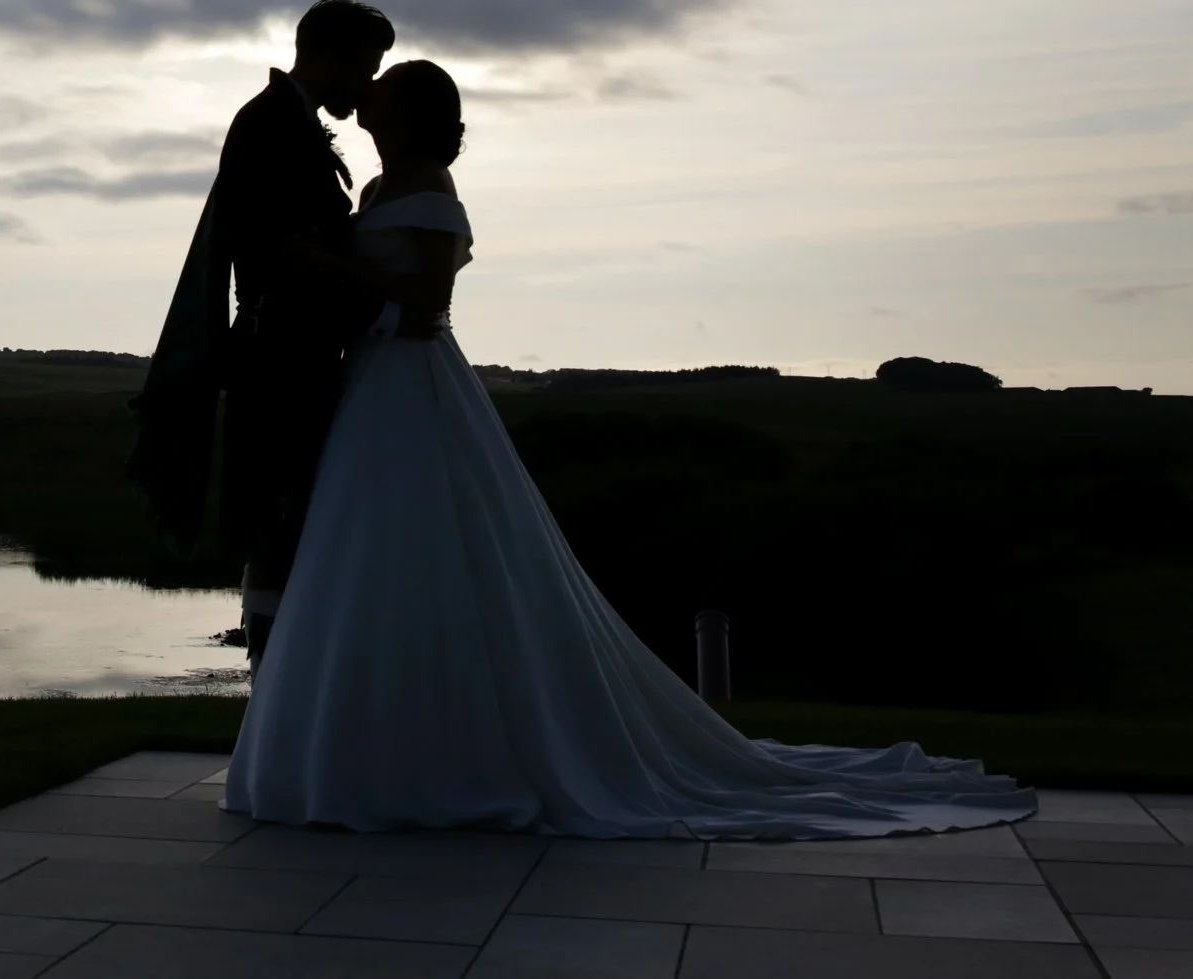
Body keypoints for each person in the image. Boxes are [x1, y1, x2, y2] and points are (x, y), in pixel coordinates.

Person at [224, 60, 1036, 837]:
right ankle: (373, 742)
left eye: (385, 95)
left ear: (408, 115)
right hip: (371, 381)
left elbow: (430, 301)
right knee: (367, 548)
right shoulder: (374, 188)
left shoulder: (433, 191)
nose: (366, 103)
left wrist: (330, 264)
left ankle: (448, 751)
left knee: (425, 540)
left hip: (415, 382)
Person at [130, 0, 425, 667]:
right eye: (366, 68)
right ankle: (274, 683)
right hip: (279, 360)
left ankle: (285, 682)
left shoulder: (286, 120)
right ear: (329, 57)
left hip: (294, 354)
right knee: (275, 521)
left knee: (290, 522)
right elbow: (283, 251)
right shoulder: (270, 124)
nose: (368, 85)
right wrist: (384, 300)